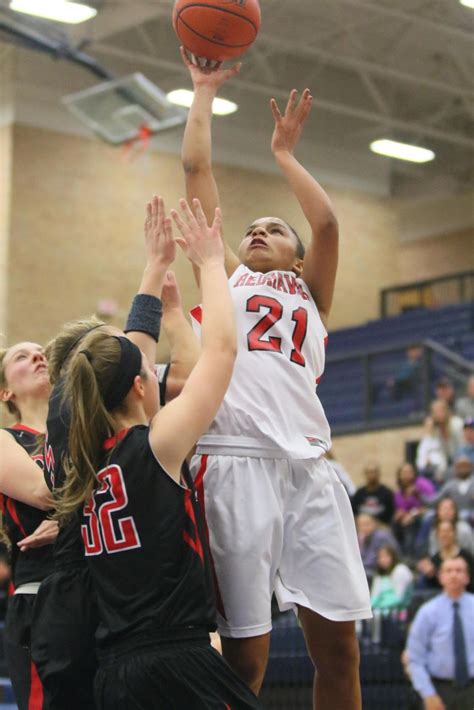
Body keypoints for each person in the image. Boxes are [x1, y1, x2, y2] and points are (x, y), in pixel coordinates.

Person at [180, 50, 371, 709]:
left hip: (311, 470)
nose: (258, 232)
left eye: (274, 229)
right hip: (234, 462)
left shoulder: (310, 295)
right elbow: (195, 169)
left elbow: (328, 223)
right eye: (250, 228)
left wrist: (285, 155)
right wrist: (203, 92)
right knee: (246, 662)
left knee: (339, 652)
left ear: (295, 254)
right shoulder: (221, 277)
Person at [54, 197, 259, 709]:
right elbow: (222, 353)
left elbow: (131, 355)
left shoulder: (86, 464)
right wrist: (212, 264)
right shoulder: (158, 445)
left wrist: (155, 268)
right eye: (148, 371)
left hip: (115, 673)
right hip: (175, 665)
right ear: (142, 389)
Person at [30, 196, 192, 710]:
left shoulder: (70, 408)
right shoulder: (76, 402)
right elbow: (140, 348)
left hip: (79, 585)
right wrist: (157, 268)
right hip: (95, 593)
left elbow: (145, 353)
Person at [0, 341, 58, 710]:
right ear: (6, 391)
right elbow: (44, 494)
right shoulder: (7, 440)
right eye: (22, 356)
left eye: (42, 352)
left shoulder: (85, 427)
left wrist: (67, 522)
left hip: (105, 591)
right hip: (42, 595)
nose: (38, 356)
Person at [406, 557, 474, 710]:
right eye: (448, 571)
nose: (454, 575)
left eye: (459, 570)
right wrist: (428, 694)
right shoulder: (428, 612)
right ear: (440, 577)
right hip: (440, 689)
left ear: (467, 577)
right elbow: (415, 658)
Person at [416, 521, 474, 593]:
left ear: (454, 533)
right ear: (437, 535)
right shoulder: (434, 559)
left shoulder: (466, 556)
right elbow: (435, 588)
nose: (445, 535)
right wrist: (430, 575)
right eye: (442, 532)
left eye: (448, 531)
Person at [393, 462, 435, 558]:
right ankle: (399, 553)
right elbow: (402, 509)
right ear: (399, 476)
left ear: (414, 473)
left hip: (425, 516)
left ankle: (414, 554)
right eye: (403, 472)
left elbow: (432, 505)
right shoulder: (398, 493)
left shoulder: (423, 484)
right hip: (409, 519)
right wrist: (400, 514)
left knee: (410, 524)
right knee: (395, 522)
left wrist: (413, 513)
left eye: (409, 472)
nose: (406, 475)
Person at [416, 400, 464, 484]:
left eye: (441, 411)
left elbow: (463, 448)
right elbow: (438, 454)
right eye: (436, 412)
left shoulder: (457, 424)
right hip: (448, 464)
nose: (439, 414)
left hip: (463, 460)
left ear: (447, 411)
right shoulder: (436, 430)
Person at [356, 513, 399, 580]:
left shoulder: (381, 536)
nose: (363, 528)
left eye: (367, 524)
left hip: (387, 570)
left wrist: (358, 567)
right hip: (372, 569)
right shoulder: (363, 537)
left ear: (374, 524)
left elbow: (374, 560)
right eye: (360, 525)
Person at [370, 545, 413, 611]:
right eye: (380, 557)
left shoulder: (400, 570)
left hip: (400, 611)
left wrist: (380, 605)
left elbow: (399, 597)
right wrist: (370, 607)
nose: (383, 560)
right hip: (380, 611)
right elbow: (375, 595)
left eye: (386, 556)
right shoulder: (379, 576)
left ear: (393, 557)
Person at [434, 456, 474, 522]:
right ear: (455, 468)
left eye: (465, 466)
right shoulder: (449, 485)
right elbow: (435, 501)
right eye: (460, 466)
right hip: (453, 517)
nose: (463, 469)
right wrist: (419, 495)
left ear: (471, 467)